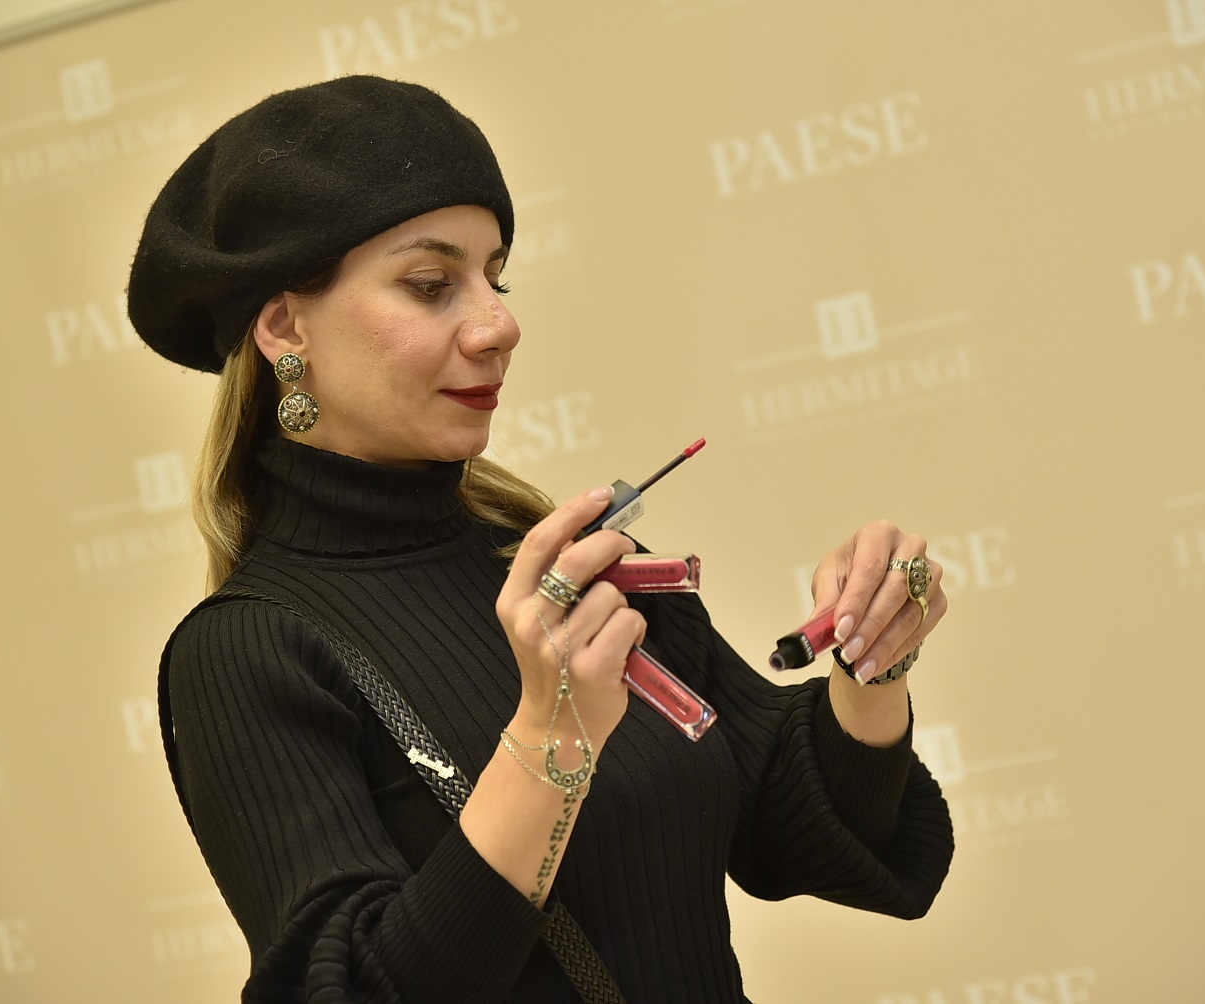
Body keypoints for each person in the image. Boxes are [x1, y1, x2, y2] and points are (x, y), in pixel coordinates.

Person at [127, 75, 953, 1004]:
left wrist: (873, 661)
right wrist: (549, 737)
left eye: (498, 277)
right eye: (431, 285)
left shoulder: (569, 570)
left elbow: (798, 828)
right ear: (286, 328)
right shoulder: (246, 652)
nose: (500, 325)